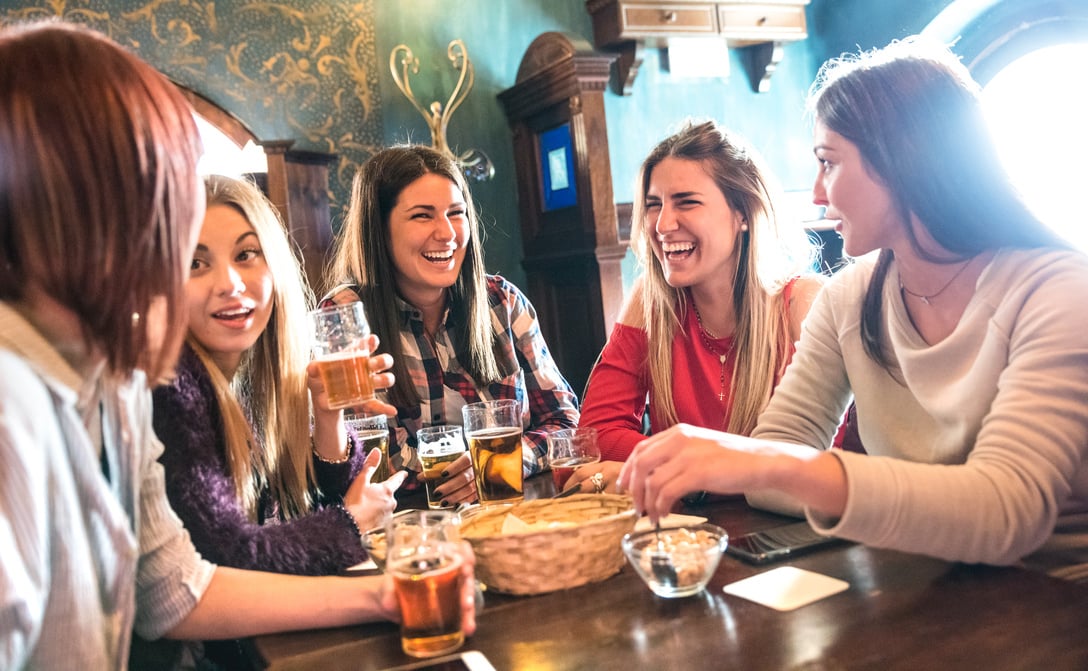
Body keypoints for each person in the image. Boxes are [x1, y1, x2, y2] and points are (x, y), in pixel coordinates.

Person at [0, 21, 475, 670]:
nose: (170, 212)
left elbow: (173, 588)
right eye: (158, 183)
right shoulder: (14, 397)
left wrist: (389, 594)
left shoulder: (116, 377)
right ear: (67, 196)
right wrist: (351, 535)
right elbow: (226, 551)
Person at [619, 37, 1088, 580]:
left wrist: (757, 460)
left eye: (828, 163)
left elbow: (1009, 511)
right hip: (922, 584)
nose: (817, 193)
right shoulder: (850, 297)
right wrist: (760, 464)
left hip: (1054, 601)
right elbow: (771, 476)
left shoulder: (1058, 291)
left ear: (903, 162)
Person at [153, 174, 406, 578]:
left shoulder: (256, 367)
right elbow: (228, 556)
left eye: (246, 255)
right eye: (195, 263)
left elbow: (312, 503)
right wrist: (351, 522)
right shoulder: (171, 385)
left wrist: (328, 417)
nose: (230, 285)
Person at [572, 120, 824, 494]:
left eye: (686, 202)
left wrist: (688, 468)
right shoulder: (651, 303)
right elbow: (595, 435)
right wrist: (703, 470)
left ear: (743, 212)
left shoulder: (803, 305)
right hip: (684, 537)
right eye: (654, 205)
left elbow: (816, 462)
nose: (662, 224)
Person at [324, 145, 579, 504]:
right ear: (378, 229)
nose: (447, 233)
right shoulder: (345, 319)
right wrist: (468, 473)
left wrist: (507, 461)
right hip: (408, 535)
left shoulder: (501, 302)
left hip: (515, 522)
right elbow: (370, 460)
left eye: (456, 213)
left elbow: (565, 422)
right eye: (422, 216)